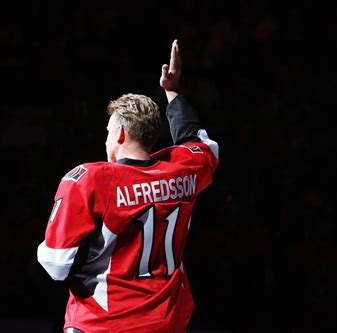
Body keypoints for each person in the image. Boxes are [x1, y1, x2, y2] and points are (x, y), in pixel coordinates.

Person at [37, 40, 219, 333]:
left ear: (120, 133)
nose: (106, 139)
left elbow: (57, 265)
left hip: (103, 323)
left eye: (108, 132)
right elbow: (200, 143)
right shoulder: (185, 169)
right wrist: (172, 93)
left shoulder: (90, 180)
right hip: (166, 322)